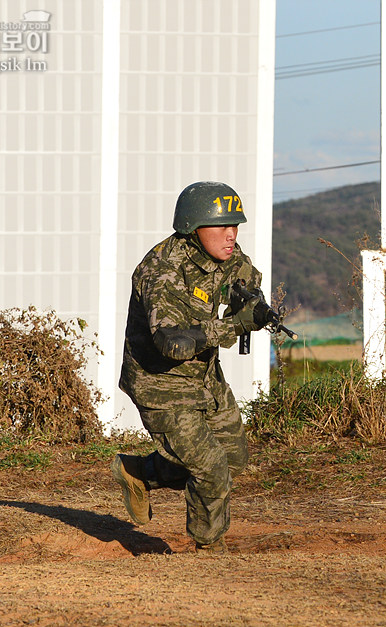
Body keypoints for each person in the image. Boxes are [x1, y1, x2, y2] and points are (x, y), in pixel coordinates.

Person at [111, 181, 270, 555]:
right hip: (159, 382)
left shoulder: (227, 254)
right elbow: (172, 344)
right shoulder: (162, 270)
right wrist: (234, 325)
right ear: (192, 227)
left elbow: (247, 280)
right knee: (211, 468)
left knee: (233, 458)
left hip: (203, 378)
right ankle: (209, 548)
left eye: (236, 226)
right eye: (222, 226)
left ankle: (140, 472)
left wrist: (255, 305)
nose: (231, 235)